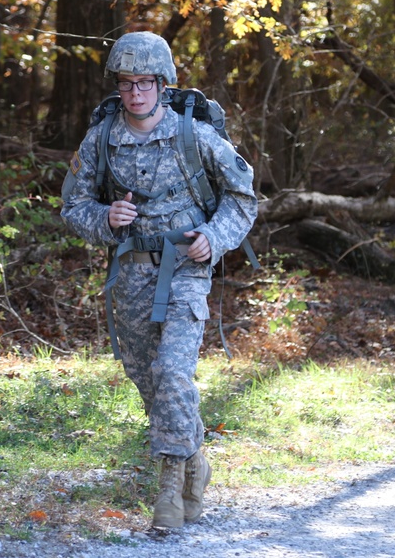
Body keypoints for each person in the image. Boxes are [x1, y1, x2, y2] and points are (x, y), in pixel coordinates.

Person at [60, 31, 258, 528]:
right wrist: (105, 217)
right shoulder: (102, 137)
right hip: (129, 275)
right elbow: (72, 206)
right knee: (151, 384)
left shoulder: (194, 136)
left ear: (164, 84)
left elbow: (243, 197)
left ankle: (168, 495)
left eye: (145, 82)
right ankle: (195, 461)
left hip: (186, 271)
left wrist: (214, 237)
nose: (135, 93)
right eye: (127, 83)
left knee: (173, 373)